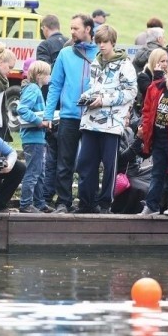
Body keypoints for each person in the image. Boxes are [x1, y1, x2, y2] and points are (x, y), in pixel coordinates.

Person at [75, 25, 137, 213]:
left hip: (111, 124)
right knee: (85, 163)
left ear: (113, 42)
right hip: (90, 121)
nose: (101, 46)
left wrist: (104, 100)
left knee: (109, 166)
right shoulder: (96, 62)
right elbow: (94, 87)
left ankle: (104, 204)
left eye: (105, 42)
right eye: (98, 42)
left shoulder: (125, 64)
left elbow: (130, 92)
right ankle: (86, 203)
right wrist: (86, 98)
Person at [43, 13, 98, 214]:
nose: (72, 32)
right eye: (71, 28)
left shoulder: (100, 54)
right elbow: (55, 86)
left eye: (76, 28)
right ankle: (63, 202)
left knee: (89, 162)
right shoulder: (65, 54)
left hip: (93, 116)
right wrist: (48, 115)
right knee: (64, 162)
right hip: (69, 115)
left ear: (88, 29)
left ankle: (87, 203)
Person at [138, 64, 168, 217]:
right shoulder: (156, 88)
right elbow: (146, 110)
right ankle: (151, 205)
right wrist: (145, 131)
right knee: (156, 173)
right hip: (158, 139)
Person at [36, 14, 68, 206]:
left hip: (52, 107)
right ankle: (62, 196)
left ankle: (46, 195)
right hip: (68, 109)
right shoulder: (68, 43)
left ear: (44, 27)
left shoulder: (44, 46)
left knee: (51, 155)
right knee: (65, 156)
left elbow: (44, 77)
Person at [17, 60, 52, 213]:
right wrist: (39, 122)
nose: (49, 77)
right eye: (47, 74)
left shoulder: (33, 88)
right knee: (33, 171)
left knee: (40, 172)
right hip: (33, 139)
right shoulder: (33, 89)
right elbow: (22, 109)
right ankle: (25, 204)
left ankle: (39, 203)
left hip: (38, 138)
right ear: (39, 75)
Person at [135, 48, 168, 116]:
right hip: (149, 112)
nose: (165, 64)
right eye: (162, 61)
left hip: (164, 110)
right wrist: (158, 75)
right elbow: (153, 93)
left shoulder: (167, 75)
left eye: (166, 61)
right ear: (155, 61)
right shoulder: (143, 76)